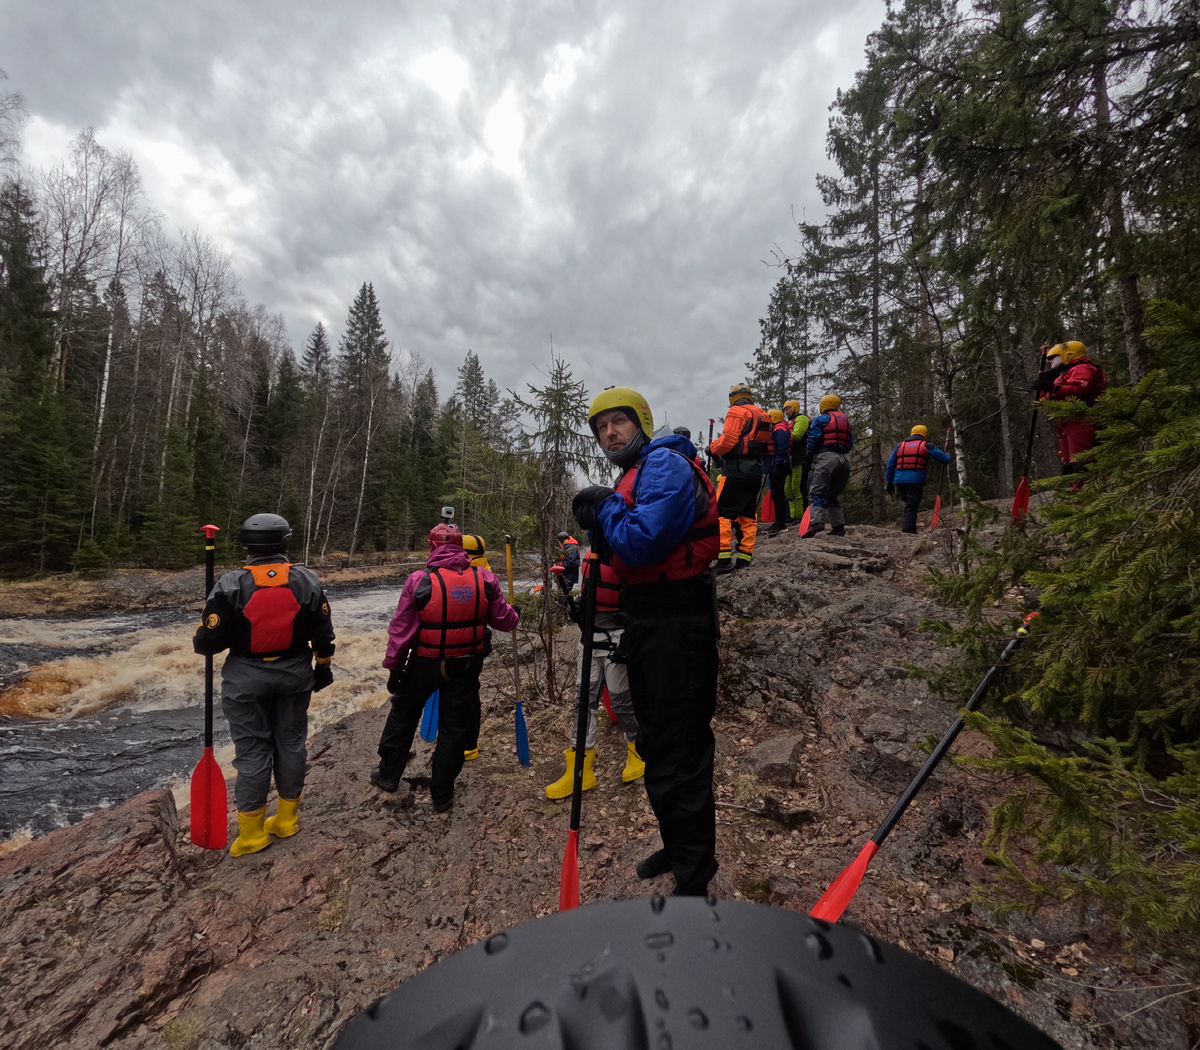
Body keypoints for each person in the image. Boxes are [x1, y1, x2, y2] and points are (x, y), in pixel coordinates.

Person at [572, 385, 721, 897]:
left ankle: (696, 872)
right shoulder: (637, 474)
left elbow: (643, 541)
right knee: (657, 742)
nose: (609, 432)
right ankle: (679, 847)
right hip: (650, 621)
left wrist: (605, 505)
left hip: (680, 621)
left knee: (681, 746)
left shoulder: (664, 466)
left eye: (619, 421)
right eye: (600, 427)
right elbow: (623, 551)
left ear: (642, 422)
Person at [193, 513, 335, 857]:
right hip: (295, 674)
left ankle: (253, 834)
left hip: (245, 679)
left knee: (254, 751)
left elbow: (208, 644)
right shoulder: (307, 579)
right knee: (291, 742)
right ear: (285, 542)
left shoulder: (230, 584)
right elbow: (324, 633)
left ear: (246, 546)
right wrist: (323, 667)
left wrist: (206, 626)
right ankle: (286, 820)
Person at [371, 523, 518, 812]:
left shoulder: (419, 580)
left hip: (425, 663)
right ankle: (442, 795)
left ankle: (389, 775)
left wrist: (394, 667)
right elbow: (505, 621)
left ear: (432, 546)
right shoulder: (485, 578)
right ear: (461, 547)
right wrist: (515, 613)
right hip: (466, 664)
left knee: (404, 711)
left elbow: (401, 629)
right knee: (454, 725)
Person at [545, 547, 644, 799]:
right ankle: (581, 770)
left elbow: (640, 602)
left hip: (618, 638)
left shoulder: (630, 551)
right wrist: (577, 606)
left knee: (622, 703)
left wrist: (629, 640)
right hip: (589, 639)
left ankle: (637, 753)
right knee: (583, 702)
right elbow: (587, 593)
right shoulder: (589, 555)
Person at [707, 382, 771, 573]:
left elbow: (727, 441)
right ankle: (744, 558)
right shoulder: (762, 413)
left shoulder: (737, 412)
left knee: (722, 514)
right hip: (755, 471)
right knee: (747, 515)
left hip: (736, 469)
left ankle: (724, 560)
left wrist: (712, 448)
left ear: (732, 397)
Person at [1034, 341, 1108, 478]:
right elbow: (1045, 400)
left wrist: (1052, 387)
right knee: (1070, 465)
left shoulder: (1083, 368)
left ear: (1068, 355)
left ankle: (1086, 496)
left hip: (1080, 421)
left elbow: (1080, 389)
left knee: (1082, 463)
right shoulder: (1064, 373)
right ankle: (1076, 495)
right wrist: (1046, 385)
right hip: (1065, 423)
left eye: (1053, 358)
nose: (1050, 361)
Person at [802, 394, 853, 538]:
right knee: (832, 495)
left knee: (817, 491)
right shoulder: (846, 421)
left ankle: (816, 522)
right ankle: (838, 526)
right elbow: (849, 443)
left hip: (827, 457)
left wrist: (808, 458)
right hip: (845, 460)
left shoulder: (821, 419)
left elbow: (813, 439)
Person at [460, 533, 492, 762]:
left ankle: (460, 743)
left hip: (445, 648)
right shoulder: (487, 574)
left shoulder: (439, 574)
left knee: (456, 695)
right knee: (469, 693)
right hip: (477, 643)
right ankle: (470, 745)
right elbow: (501, 617)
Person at [885, 425, 952, 533]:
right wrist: (947, 455)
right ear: (924, 434)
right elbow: (945, 459)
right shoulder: (926, 445)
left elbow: (890, 465)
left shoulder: (899, 446)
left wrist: (889, 482)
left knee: (909, 505)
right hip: (916, 480)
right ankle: (908, 531)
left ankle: (910, 528)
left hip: (900, 481)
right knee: (911, 506)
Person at [765, 408, 793, 536]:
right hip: (778, 464)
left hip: (780, 464)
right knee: (775, 494)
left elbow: (782, 447)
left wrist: (777, 463)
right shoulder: (779, 428)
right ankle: (778, 522)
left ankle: (780, 523)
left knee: (778, 494)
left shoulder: (780, 429)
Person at [783, 400, 811, 520]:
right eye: (784, 410)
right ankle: (793, 516)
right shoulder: (790, 422)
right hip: (790, 458)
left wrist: (782, 436)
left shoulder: (802, 419)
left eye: (787, 409)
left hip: (800, 457)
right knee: (788, 490)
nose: (786, 412)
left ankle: (801, 517)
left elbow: (797, 435)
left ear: (794, 408)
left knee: (797, 487)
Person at [554, 531, 581, 596]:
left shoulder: (571, 546)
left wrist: (560, 570)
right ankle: (563, 604)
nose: (559, 542)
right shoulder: (567, 546)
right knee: (562, 593)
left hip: (568, 575)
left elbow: (570, 561)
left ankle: (564, 605)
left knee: (564, 594)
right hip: (564, 574)